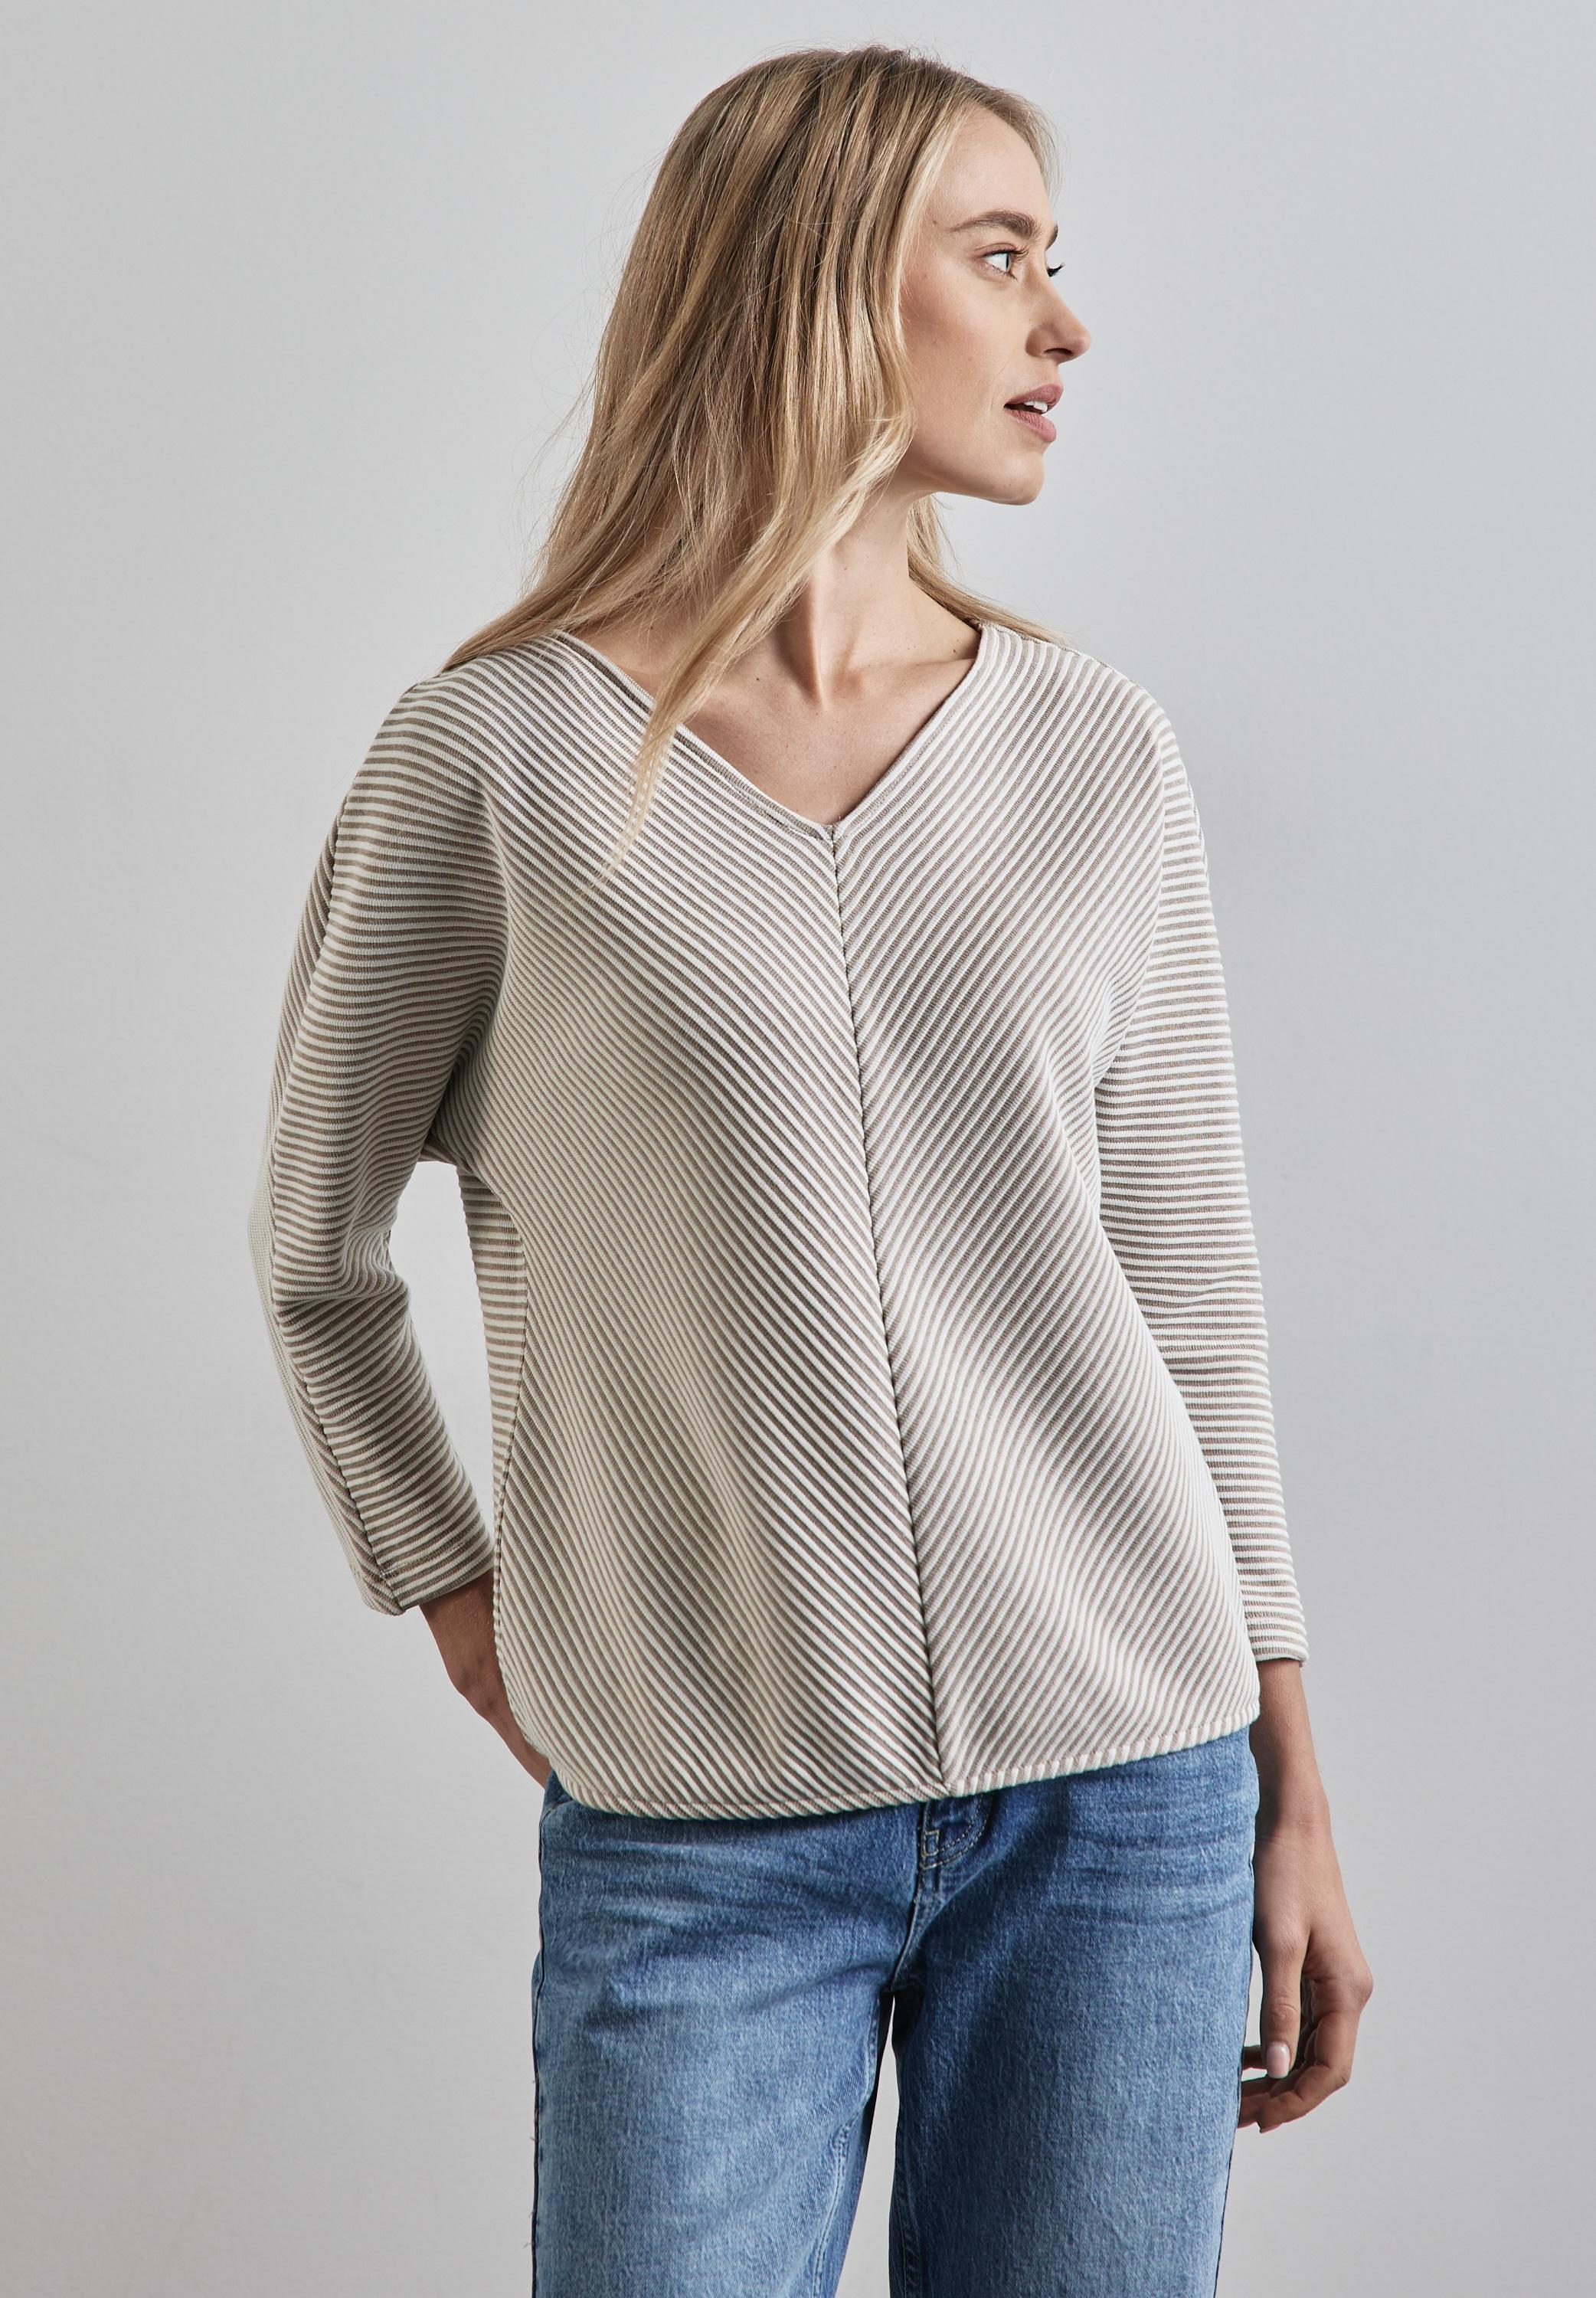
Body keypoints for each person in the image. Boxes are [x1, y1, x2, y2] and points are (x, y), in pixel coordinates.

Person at [246, 41, 1372, 2298]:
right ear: (824, 287)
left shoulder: (1090, 751)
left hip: (1128, 1799)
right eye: (1002, 260)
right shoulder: (496, 760)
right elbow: (314, 1257)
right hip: (701, 1830)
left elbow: (1191, 1291)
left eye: (1055, 263)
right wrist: (465, 1609)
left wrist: (1292, 1789)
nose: (1066, 325)